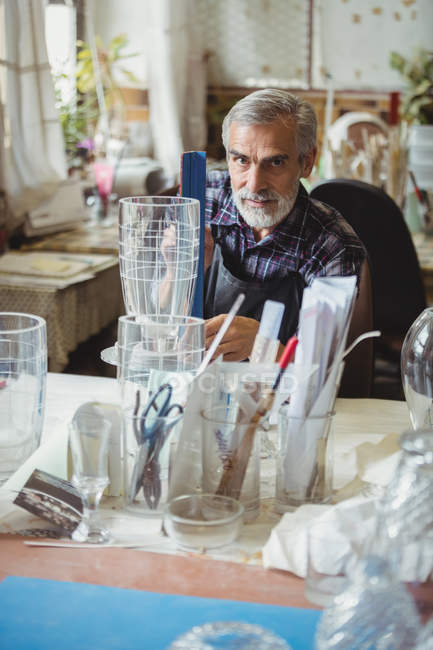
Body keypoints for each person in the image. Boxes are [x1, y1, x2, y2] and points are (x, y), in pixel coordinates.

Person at [203, 88, 367, 364]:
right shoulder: (204, 198)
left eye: (275, 162)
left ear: (307, 163)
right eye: (241, 160)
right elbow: (161, 317)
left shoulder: (333, 244)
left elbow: (321, 372)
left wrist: (262, 345)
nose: (254, 185)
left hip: (280, 400)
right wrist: (177, 274)